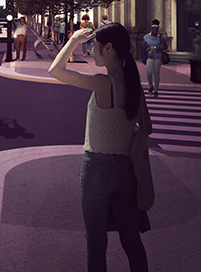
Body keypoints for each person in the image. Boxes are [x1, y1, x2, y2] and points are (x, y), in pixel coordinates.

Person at [49, 22, 151, 272]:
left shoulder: (103, 84)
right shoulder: (133, 85)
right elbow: (146, 126)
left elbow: (56, 70)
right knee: (132, 242)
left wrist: (73, 39)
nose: (90, 51)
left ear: (108, 47)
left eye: (93, 46)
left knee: (96, 245)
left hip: (97, 169)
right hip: (127, 171)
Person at [142, 19, 167, 97]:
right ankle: (150, 86)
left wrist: (160, 48)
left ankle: (156, 90)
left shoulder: (160, 37)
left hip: (158, 56)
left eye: (156, 30)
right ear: (151, 29)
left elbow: (165, 46)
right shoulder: (146, 36)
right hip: (149, 56)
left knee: (156, 73)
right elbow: (143, 46)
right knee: (148, 72)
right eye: (154, 29)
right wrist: (148, 48)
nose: (155, 31)